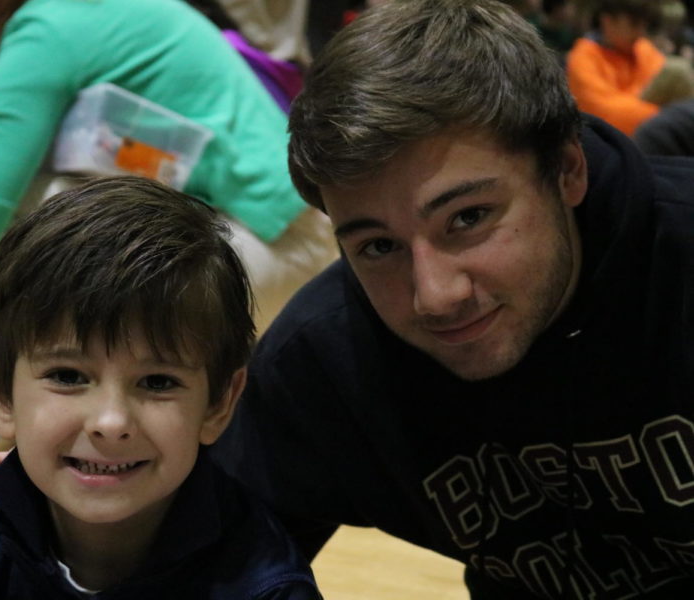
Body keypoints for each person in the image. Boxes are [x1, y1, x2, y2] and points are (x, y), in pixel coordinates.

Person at [208, 0, 694, 598]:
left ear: (567, 169)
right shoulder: (327, 361)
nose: (435, 298)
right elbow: (211, 564)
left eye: (468, 218)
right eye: (379, 247)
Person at [0, 0, 337, 336]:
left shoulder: (41, 33)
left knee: (42, 210)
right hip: (295, 241)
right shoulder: (71, 13)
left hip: (267, 253)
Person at [0, 176, 321, 599]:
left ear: (218, 404)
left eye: (157, 382)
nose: (111, 422)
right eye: (68, 376)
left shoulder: (268, 588)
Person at [565, 0, 694, 137]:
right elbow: (607, 115)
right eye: (634, 25)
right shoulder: (583, 57)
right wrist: (674, 117)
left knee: (679, 71)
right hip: (616, 141)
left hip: (651, 127)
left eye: (643, 26)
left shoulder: (641, 47)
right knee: (677, 70)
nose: (640, 33)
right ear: (607, 21)